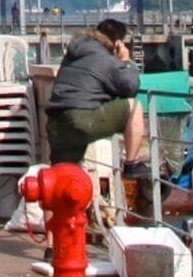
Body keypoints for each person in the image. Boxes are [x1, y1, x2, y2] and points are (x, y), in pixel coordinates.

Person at [44, 17, 143, 170]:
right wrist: (125, 62)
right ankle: (132, 165)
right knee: (134, 106)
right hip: (82, 120)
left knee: (63, 177)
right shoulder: (105, 58)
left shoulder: (73, 53)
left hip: (57, 123)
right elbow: (131, 86)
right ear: (117, 43)